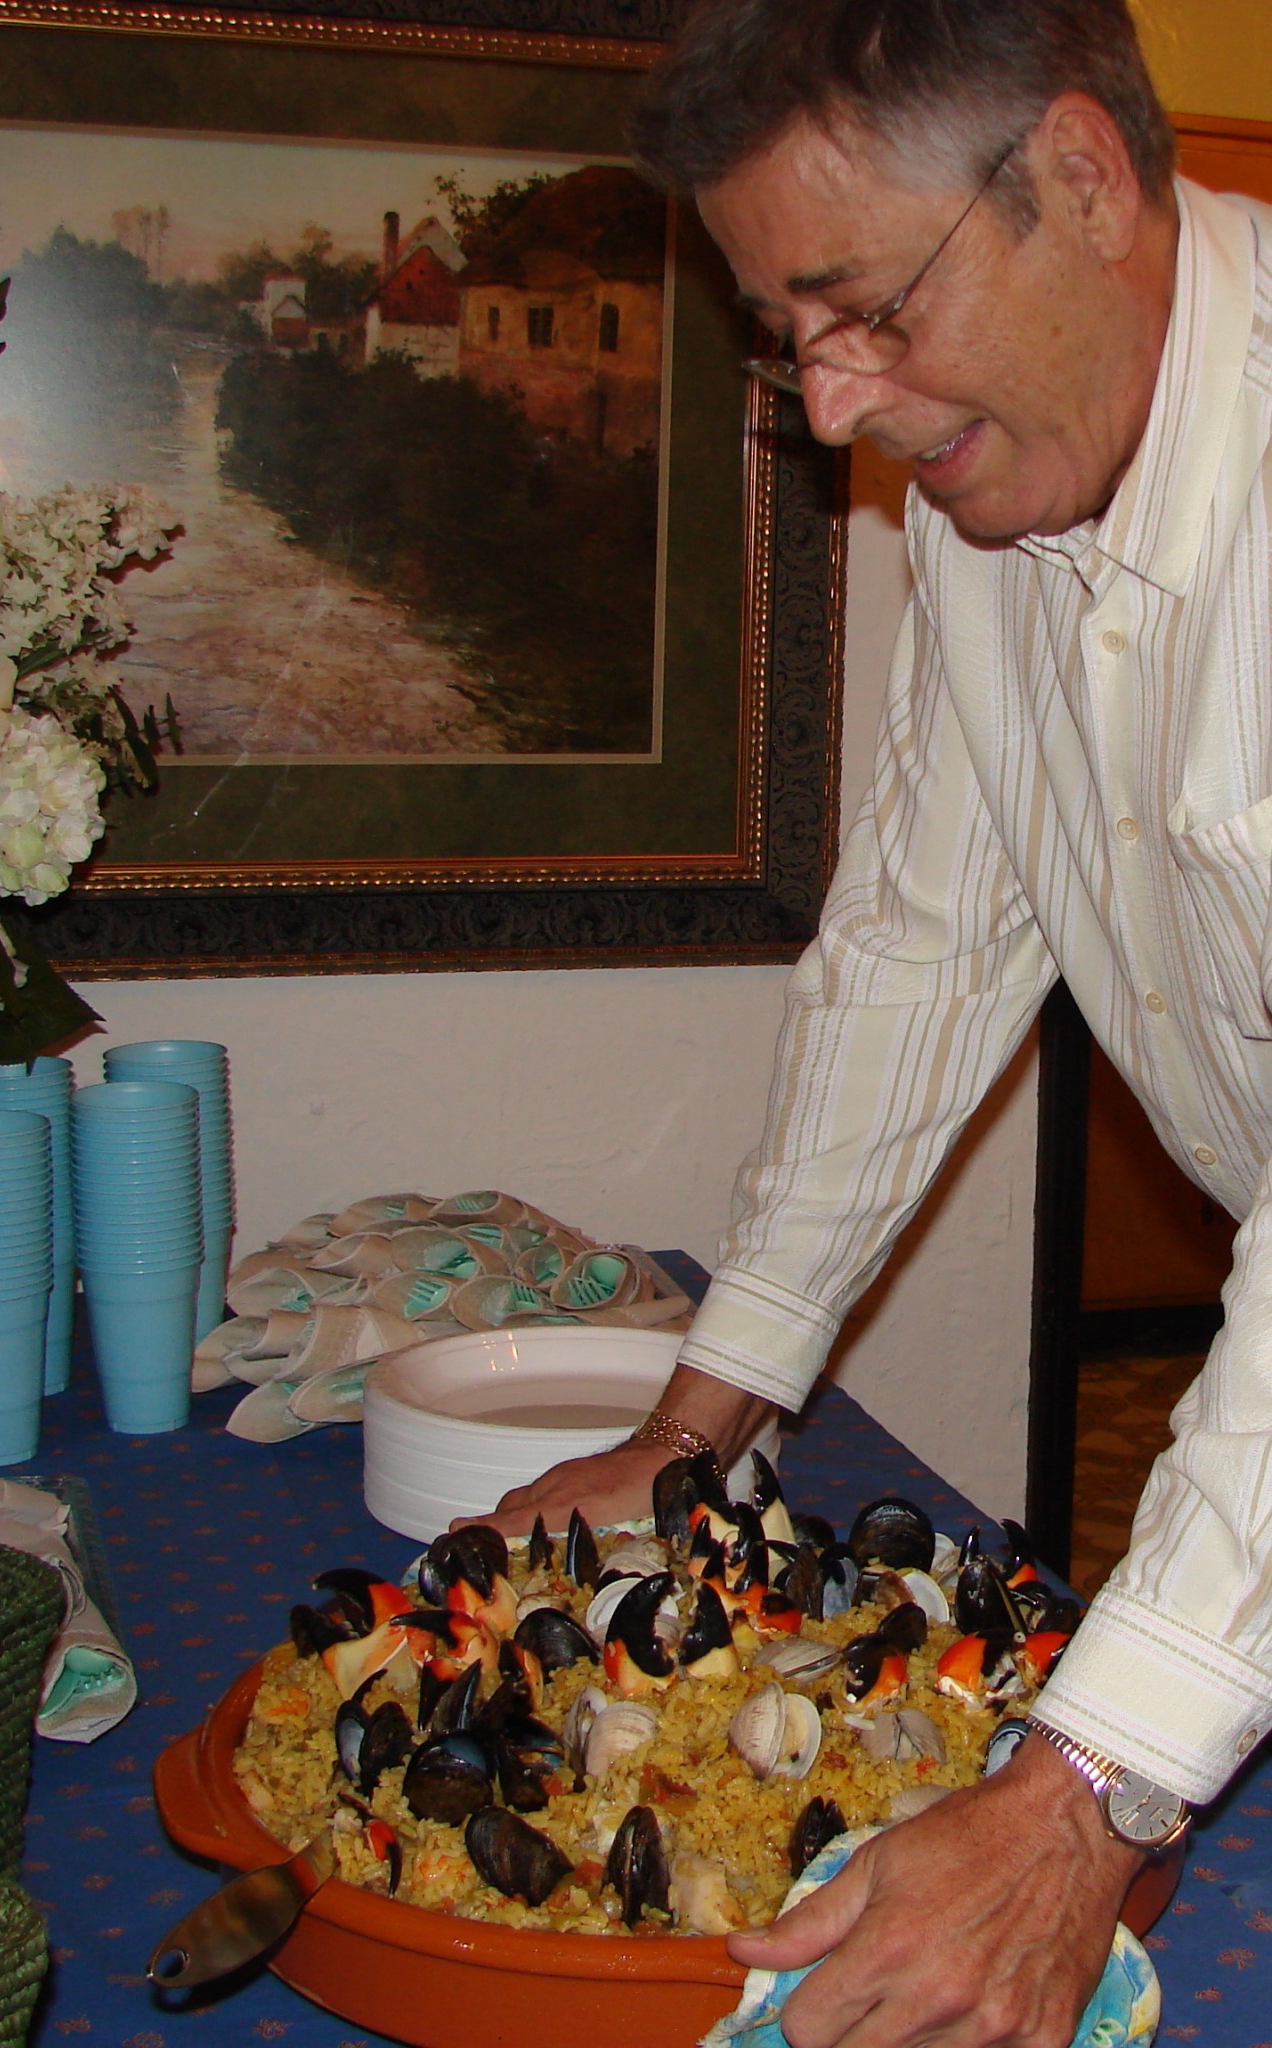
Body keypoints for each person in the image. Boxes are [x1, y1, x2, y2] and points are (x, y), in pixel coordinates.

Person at [470, 1, 1272, 2041]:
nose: (832, 404)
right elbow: (921, 945)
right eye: (786, 336)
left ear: (1079, 178)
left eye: (868, 309)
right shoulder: (991, 493)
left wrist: (1080, 1795)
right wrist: (693, 1430)